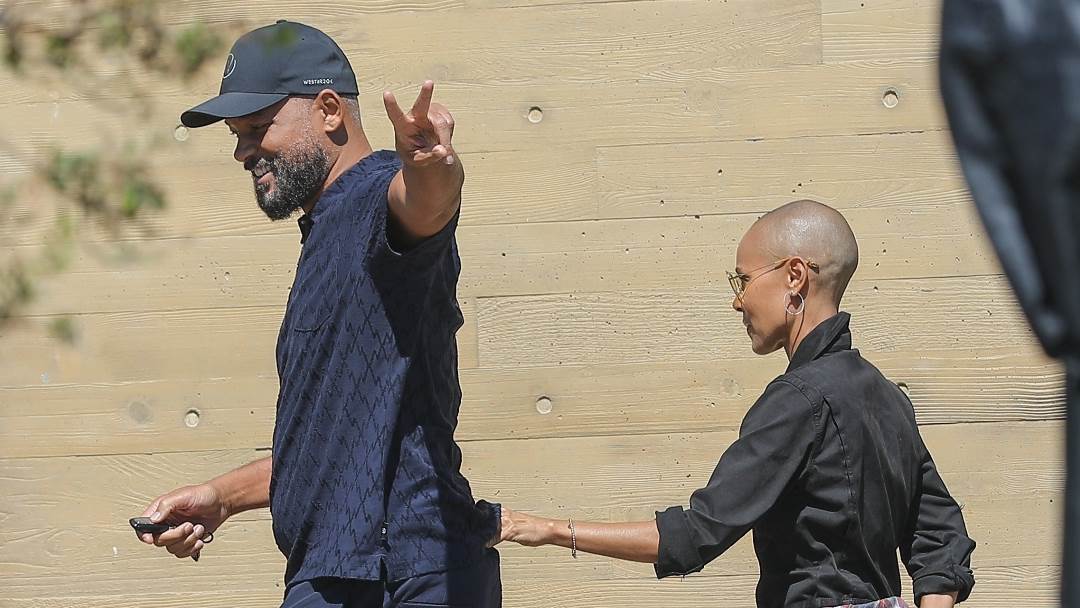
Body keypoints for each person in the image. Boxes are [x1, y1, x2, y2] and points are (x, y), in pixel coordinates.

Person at [135, 21, 501, 608]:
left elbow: (426, 204)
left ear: (329, 111)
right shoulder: (326, 232)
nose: (242, 152)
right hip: (340, 576)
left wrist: (432, 166)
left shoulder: (375, 197)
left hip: (402, 577)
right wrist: (222, 498)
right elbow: (333, 445)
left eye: (257, 128)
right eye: (235, 135)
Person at [498, 200, 976, 608]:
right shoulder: (887, 396)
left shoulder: (797, 401)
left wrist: (545, 529)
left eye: (742, 280)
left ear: (794, 275)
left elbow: (697, 534)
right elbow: (939, 533)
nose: (738, 301)